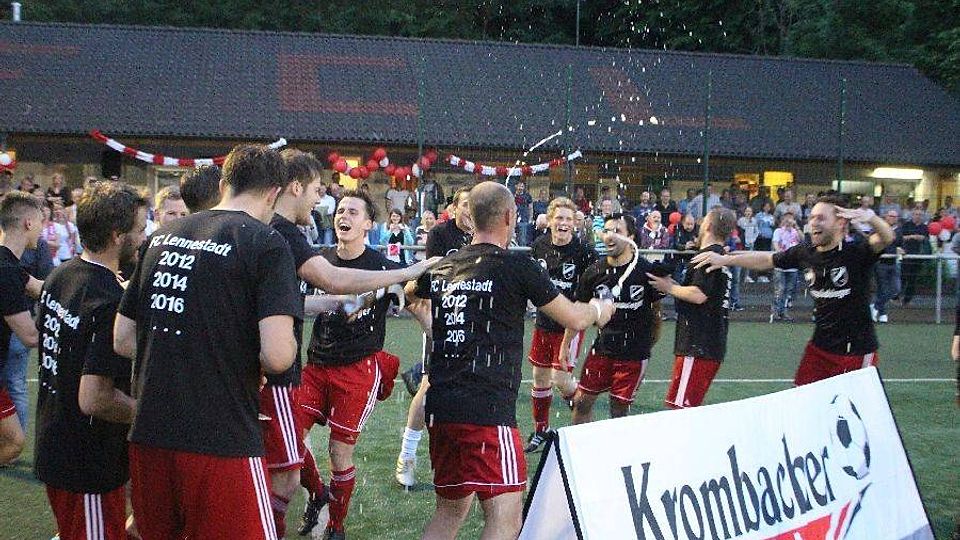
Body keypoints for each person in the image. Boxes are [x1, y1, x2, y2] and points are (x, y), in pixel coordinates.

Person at [114, 144, 302, 540]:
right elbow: (277, 355)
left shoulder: (162, 237)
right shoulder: (266, 243)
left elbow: (123, 338)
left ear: (222, 185)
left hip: (150, 433)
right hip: (221, 437)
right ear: (273, 193)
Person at [415, 181, 614, 540]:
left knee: (450, 512)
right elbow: (573, 317)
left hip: (442, 409)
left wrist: (430, 319)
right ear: (510, 216)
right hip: (487, 412)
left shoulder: (446, 266)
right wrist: (601, 309)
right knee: (506, 519)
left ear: (471, 217)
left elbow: (411, 291)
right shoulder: (517, 265)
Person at [266, 150, 439, 537]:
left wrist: (433, 331)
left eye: (353, 212)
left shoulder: (382, 266)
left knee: (339, 452)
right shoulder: (318, 258)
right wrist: (338, 302)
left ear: (368, 224)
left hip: (357, 370)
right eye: (340, 210)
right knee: (289, 440)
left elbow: (413, 303)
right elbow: (313, 295)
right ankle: (318, 494)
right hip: (314, 365)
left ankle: (336, 526)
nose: (343, 216)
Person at [35, 182, 147, 540]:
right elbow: (95, 398)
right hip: (87, 463)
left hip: (57, 442)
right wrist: (151, 413)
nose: (143, 238)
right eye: (139, 230)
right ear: (117, 236)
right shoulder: (108, 300)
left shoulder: (61, 275)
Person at [692, 195, 895, 385]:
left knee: (852, 406)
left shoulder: (856, 252)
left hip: (856, 351)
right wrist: (726, 259)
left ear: (841, 223)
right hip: (820, 348)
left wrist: (870, 217)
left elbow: (887, 237)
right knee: (802, 399)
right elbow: (767, 259)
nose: (813, 222)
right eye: (812, 217)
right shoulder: (805, 252)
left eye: (821, 218)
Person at [395, 187, 472, 488]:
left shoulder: (484, 232)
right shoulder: (441, 233)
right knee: (428, 388)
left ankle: (464, 455)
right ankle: (407, 456)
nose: (470, 210)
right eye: (465, 204)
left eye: (474, 205)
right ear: (454, 208)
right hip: (444, 316)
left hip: (474, 319)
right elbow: (432, 277)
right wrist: (429, 319)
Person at [570, 213, 665, 424]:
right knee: (581, 402)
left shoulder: (646, 271)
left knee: (619, 410)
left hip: (634, 355)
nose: (610, 236)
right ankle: (580, 442)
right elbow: (578, 310)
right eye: (606, 231)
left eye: (617, 231)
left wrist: (647, 344)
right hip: (602, 349)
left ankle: (616, 445)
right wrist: (565, 345)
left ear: (631, 237)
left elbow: (657, 312)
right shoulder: (594, 271)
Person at [523, 197, 597, 452]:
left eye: (568, 219)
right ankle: (540, 430)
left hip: (570, 324)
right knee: (540, 376)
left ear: (575, 223)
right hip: (544, 323)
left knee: (561, 379)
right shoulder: (539, 246)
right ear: (550, 221)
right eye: (559, 218)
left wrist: (569, 337)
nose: (563, 223)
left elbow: (585, 298)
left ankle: (582, 410)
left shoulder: (584, 252)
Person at [649, 208, 735, 408]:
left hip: (698, 343)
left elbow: (698, 294)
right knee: (684, 407)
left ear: (709, 226)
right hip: (707, 343)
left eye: (703, 221)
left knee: (680, 408)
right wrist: (673, 285)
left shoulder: (709, 256)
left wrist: (669, 287)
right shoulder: (719, 255)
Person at [0, 192, 43, 466]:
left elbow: (41, 288)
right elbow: (30, 336)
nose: (42, 228)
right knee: (15, 442)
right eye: (40, 221)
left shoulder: (9, 265)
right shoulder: (5, 270)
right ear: (28, 223)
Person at [871, 209, 903, 323]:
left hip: (893, 262)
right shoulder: (879, 228)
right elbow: (874, 242)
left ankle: (875, 306)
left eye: (895, 216)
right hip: (881, 263)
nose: (893, 218)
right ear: (886, 217)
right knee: (882, 289)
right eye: (891, 216)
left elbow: (900, 244)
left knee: (896, 288)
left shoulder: (899, 230)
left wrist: (901, 249)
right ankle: (882, 313)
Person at [771, 213, 801, 321]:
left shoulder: (795, 232)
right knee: (780, 289)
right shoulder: (778, 231)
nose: (788, 221)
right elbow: (775, 244)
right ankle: (775, 311)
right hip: (781, 264)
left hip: (792, 265)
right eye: (786, 219)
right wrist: (781, 254)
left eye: (791, 219)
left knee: (789, 290)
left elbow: (802, 240)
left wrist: (796, 227)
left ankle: (784, 311)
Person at [900, 208, 929, 306]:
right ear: (912, 215)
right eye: (916, 214)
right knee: (903, 277)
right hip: (906, 255)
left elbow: (926, 238)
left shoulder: (924, 227)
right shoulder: (906, 225)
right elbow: (901, 237)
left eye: (920, 215)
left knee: (913, 279)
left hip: (918, 256)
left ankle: (907, 300)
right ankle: (897, 297)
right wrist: (911, 236)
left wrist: (921, 238)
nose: (918, 216)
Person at [754, 201, 776, 282]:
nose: (767, 208)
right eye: (766, 206)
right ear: (763, 207)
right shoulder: (758, 215)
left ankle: (765, 274)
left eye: (768, 206)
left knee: (767, 256)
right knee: (760, 256)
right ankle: (760, 275)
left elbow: (772, 225)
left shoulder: (771, 216)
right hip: (760, 238)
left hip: (768, 238)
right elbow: (755, 225)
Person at [737, 206, 759, 282]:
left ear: (752, 213)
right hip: (742, 243)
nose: (748, 213)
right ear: (744, 212)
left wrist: (753, 239)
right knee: (740, 260)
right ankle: (739, 277)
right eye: (746, 211)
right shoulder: (741, 220)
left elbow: (756, 231)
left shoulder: (754, 221)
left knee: (748, 260)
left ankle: (746, 276)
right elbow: (738, 231)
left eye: (749, 211)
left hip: (750, 243)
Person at [513, 180, 533, 246]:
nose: (520, 188)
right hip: (513, 219)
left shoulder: (527, 196)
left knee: (522, 237)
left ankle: (522, 249)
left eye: (522, 186)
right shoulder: (512, 196)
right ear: (515, 186)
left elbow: (530, 208)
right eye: (519, 186)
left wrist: (530, 218)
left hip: (524, 219)